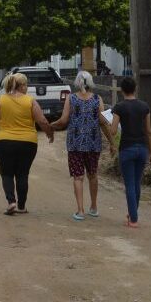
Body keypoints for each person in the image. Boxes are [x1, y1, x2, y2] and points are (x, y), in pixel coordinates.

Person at [0, 73, 55, 215]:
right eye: (26, 85)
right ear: (21, 86)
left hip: (5, 142)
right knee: (22, 174)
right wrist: (49, 133)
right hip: (28, 143)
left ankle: (11, 202)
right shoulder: (30, 101)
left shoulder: (1, 100)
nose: (27, 87)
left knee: (7, 173)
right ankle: (21, 206)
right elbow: (42, 121)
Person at [51, 71, 116, 221]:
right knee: (92, 175)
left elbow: (63, 120)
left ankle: (80, 211)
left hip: (75, 144)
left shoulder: (71, 98)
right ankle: (93, 207)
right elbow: (103, 122)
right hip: (93, 143)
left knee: (78, 177)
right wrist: (112, 143)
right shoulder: (97, 99)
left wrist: (49, 126)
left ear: (77, 82)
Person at [107, 76, 151, 228]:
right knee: (137, 183)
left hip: (127, 149)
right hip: (142, 149)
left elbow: (113, 131)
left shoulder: (119, 107)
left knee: (129, 185)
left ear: (122, 90)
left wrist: (111, 140)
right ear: (135, 89)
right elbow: (149, 132)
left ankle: (133, 219)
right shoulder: (144, 107)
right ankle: (133, 213)